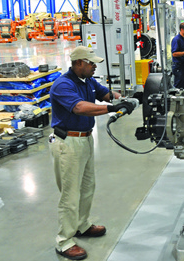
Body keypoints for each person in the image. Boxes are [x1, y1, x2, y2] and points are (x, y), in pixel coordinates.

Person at [49, 46, 136, 260]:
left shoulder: (87, 80)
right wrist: (112, 109)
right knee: (70, 194)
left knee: (87, 186)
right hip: (67, 142)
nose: (94, 65)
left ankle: (82, 225)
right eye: (91, 62)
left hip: (85, 139)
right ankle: (64, 241)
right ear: (79, 63)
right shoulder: (63, 85)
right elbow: (79, 108)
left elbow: (104, 94)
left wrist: (121, 97)